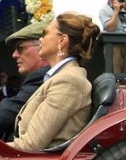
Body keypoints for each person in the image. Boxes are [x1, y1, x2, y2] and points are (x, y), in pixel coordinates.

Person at [8, 12, 99, 152]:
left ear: (62, 41)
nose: (40, 39)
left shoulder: (69, 81)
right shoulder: (62, 76)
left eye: (45, 34)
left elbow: (30, 145)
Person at [0, 19, 50, 141]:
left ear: (42, 48)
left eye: (20, 48)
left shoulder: (44, 76)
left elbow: (11, 111)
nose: (14, 55)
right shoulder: (45, 75)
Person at [97, 0, 126, 74]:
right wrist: (116, 11)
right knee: (115, 71)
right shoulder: (104, 10)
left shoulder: (123, 7)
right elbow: (110, 28)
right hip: (114, 44)